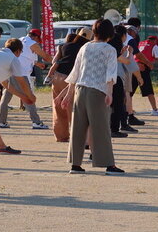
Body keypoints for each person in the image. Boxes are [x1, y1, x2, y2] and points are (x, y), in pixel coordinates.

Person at [62, 19, 124, 175]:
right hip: (97, 91)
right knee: (101, 128)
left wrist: (68, 95)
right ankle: (108, 164)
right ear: (110, 33)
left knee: (77, 128)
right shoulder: (109, 50)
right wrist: (109, 93)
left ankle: (75, 165)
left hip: (80, 90)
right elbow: (110, 74)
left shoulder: (85, 47)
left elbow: (75, 72)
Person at [0, 29, 52, 129]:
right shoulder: (32, 43)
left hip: (9, 71)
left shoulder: (20, 40)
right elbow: (45, 56)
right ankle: (36, 122)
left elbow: (23, 57)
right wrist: (56, 63)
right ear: (35, 37)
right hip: (20, 73)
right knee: (28, 97)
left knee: (5, 98)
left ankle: (1, 121)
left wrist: (36, 63)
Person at [48, 28, 92, 142]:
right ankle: (77, 136)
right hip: (70, 79)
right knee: (72, 108)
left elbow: (54, 61)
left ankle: (61, 136)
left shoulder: (64, 46)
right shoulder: (84, 49)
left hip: (57, 77)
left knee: (58, 107)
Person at [135, 35, 158, 116]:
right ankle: (155, 109)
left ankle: (127, 109)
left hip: (133, 66)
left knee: (130, 90)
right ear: (155, 40)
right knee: (149, 90)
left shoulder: (140, 43)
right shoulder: (154, 46)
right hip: (143, 67)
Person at [108, 26, 133, 138]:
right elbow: (126, 61)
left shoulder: (107, 44)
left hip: (104, 78)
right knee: (117, 104)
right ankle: (114, 129)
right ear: (123, 35)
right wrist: (129, 53)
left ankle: (110, 128)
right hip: (115, 78)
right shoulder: (116, 44)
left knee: (110, 104)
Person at [124, 25, 146, 126]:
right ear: (130, 32)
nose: (136, 34)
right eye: (135, 32)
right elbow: (134, 57)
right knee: (127, 93)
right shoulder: (130, 40)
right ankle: (129, 116)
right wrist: (139, 76)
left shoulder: (111, 38)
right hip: (124, 69)